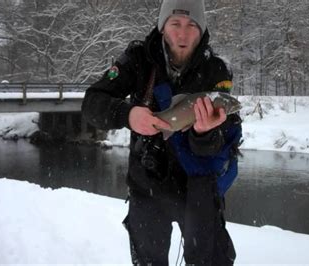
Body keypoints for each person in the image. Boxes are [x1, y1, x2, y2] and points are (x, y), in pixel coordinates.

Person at [82, 0, 242, 265]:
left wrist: (203, 134)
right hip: (148, 183)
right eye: (175, 23)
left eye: (192, 25)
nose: (183, 33)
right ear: (162, 26)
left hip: (198, 185)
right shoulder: (138, 60)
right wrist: (128, 114)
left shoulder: (217, 70)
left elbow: (222, 142)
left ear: (201, 30)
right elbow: (92, 103)